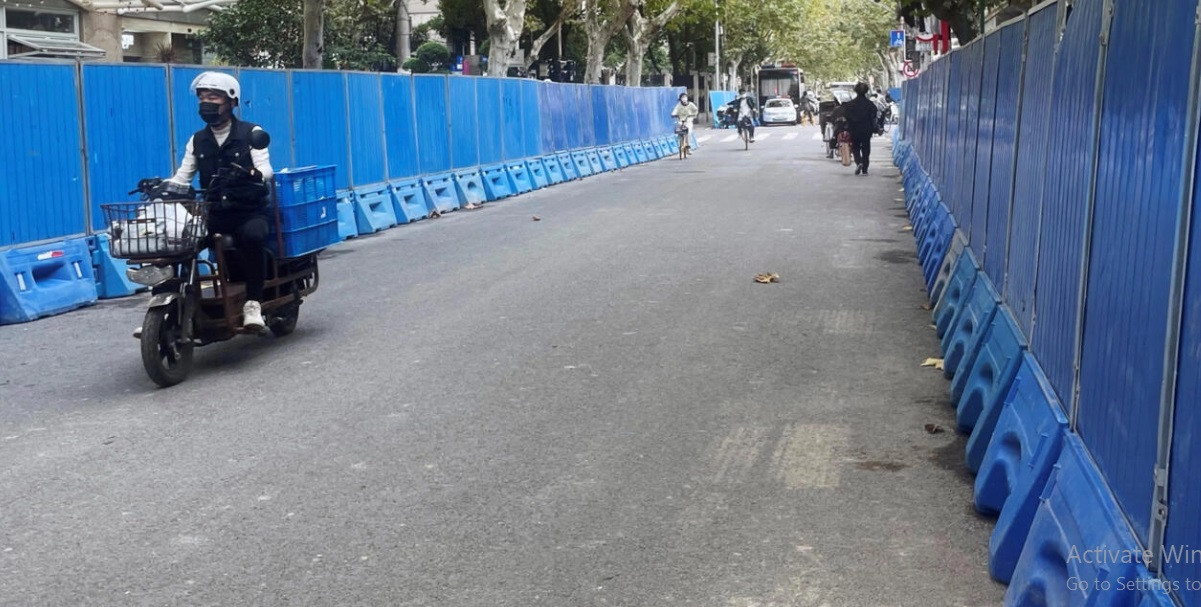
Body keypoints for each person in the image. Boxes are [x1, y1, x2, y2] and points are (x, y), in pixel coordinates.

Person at [167, 72, 274, 330]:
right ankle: (171, 307)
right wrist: (165, 186)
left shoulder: (252, 133)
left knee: (252, 237)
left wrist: (251, 174)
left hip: (248, 211)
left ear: (232, 102)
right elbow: (183, 176)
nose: (207, 102)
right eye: (202, 97)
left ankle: (253, 304)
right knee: (175, 242)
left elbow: (266, 170)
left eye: (214, 96)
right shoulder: (197, 140)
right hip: (213, 214)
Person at [844, 82, 879, 176]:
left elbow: (846, 116)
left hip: (854, 129)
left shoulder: (850, 104)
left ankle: (858, 162)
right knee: (866, 149)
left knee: (855, 147)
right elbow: (874, 115)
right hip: (867, 130)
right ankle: (865, 168)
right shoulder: (870, 104)